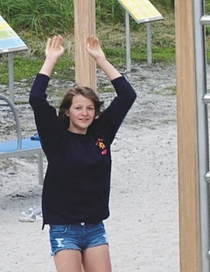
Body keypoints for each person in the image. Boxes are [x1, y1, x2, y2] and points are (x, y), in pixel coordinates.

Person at [30, 35, 136, 272]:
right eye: (78, 108)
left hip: (94, 227)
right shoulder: (56, 137)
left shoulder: (102, 132)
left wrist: (101, 59)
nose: (85, 113)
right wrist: (51, 60)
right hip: (64, 228)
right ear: (67, 111)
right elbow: (36, 98)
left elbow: (127, 96)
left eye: (90, 109)